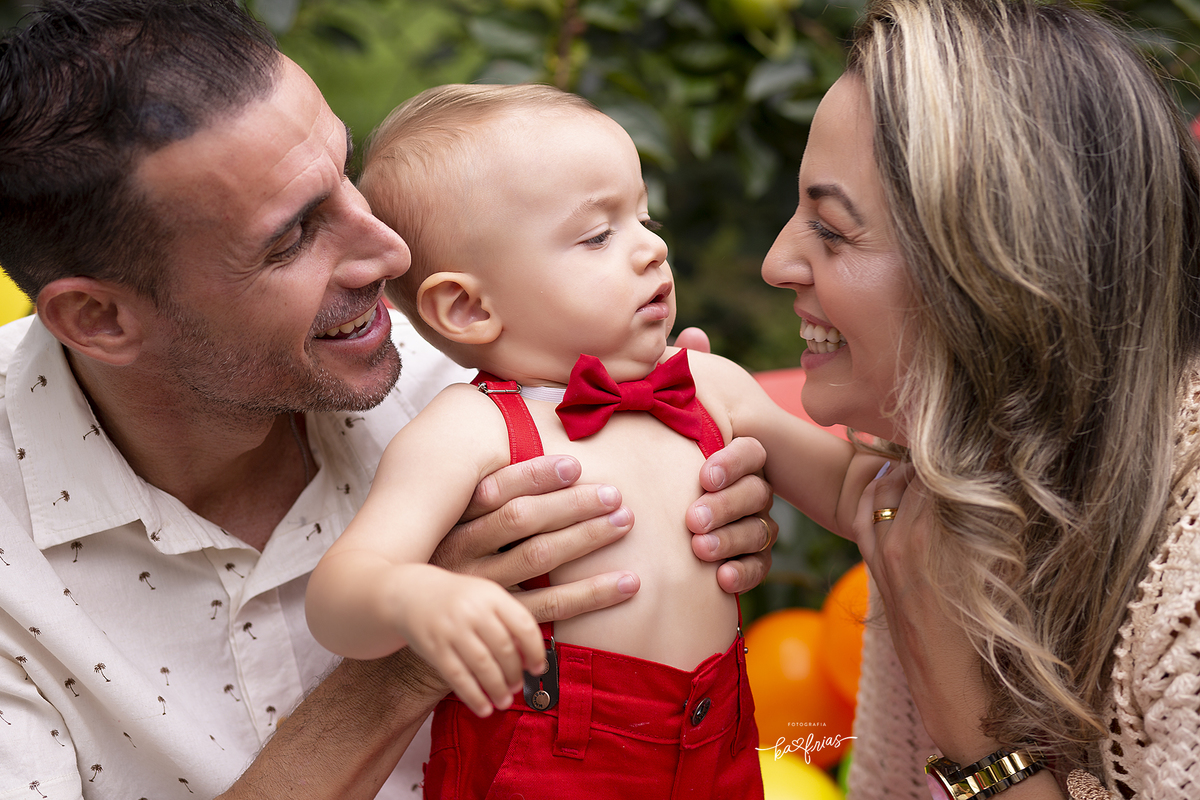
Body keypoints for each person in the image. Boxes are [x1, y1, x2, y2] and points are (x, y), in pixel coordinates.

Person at [0, 2, 779, 798]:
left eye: (345, 173)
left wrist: (690, 488)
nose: (390, 252)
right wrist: (404, 666)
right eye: (292, 238)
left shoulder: (460, 374)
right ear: (99, 318)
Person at [305, 83, 884, 799]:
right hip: (553, 758)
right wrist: (415, 599)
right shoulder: (471, 426)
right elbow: (339, 596)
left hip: (718, 739)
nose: (652, 249)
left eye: (644, 217)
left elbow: (861, 498)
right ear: (468, 306)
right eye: (598, 235)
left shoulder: (711, 384)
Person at [760, 0, 1200, 798]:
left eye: (831, 229)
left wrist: (974, 733)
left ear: (994, 275)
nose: (776, 262)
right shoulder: (944, 492)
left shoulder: (1188, 601)